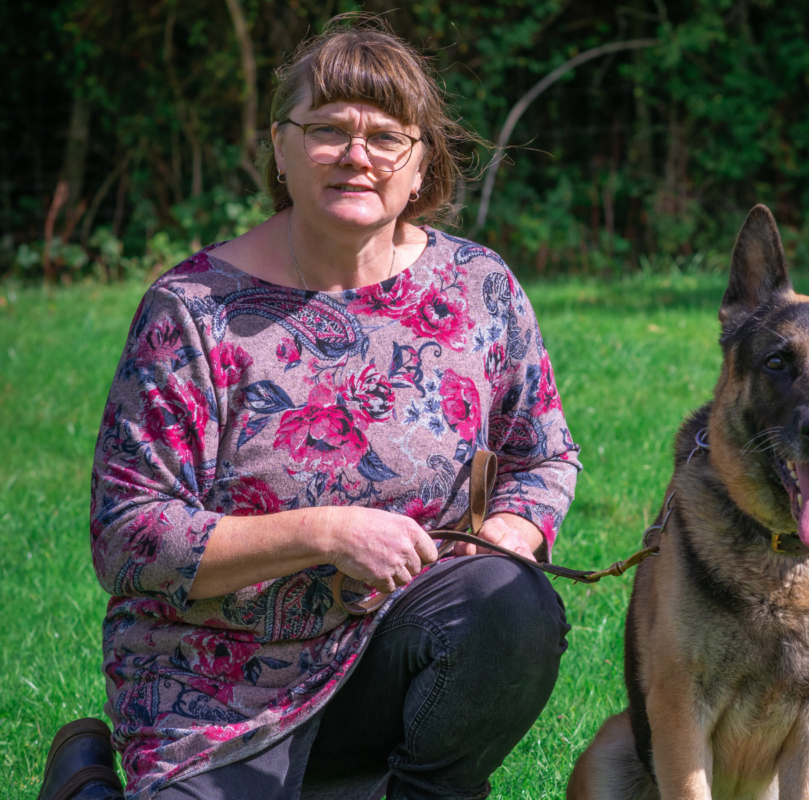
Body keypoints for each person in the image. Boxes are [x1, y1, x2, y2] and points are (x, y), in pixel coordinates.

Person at [37, 16, 579, 800]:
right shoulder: (191, 311)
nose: (357, 156)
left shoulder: (479, 289)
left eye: (386, 136)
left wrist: (507, 532)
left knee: (509, 602)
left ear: (422, 160)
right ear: (281, 149)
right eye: (327, 129)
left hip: (395, 657)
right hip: (213, 690)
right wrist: (323, 531)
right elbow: (128, 536)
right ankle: (87, 785)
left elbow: (544, 455)